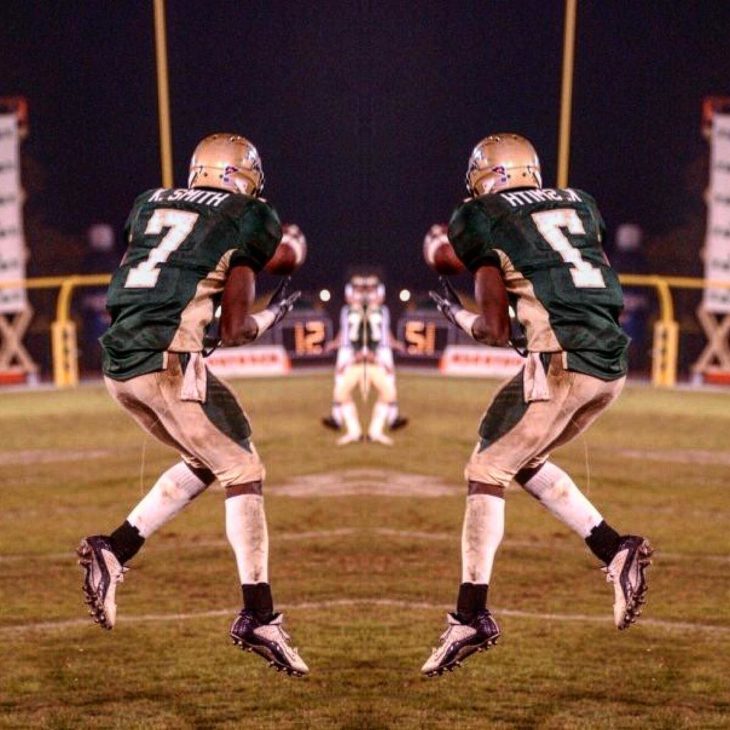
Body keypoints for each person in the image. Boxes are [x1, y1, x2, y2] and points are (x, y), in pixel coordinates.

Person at [76, 133, 309, 677]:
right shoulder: (249, 217)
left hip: (119, 365)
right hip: (167, 362)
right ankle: (258, 616)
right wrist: (272, 315)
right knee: (243, 470)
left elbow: (167, 268)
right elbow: (234, 329)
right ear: (243, 177)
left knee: (209, 458)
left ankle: (114, 549)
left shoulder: (151, 202)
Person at [421, 133, 653, 677]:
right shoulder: (578, 203)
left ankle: (471, 616)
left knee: (486, 470)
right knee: (520, 458)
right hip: (610, 365)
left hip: (562, 362)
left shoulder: (481, 217)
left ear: (487, 177)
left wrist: (457, 315)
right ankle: (615, 549)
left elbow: (495, 330)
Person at [322, 274, 407, 445]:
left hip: (376, 352)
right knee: (341, 386)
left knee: (388, 386)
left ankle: (389, 420)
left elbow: (383, 331)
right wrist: (336, 344)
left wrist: (393, 344)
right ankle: (341, 420)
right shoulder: (349, 311)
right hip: (353, 352)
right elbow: (346, 331)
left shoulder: (381, 311)